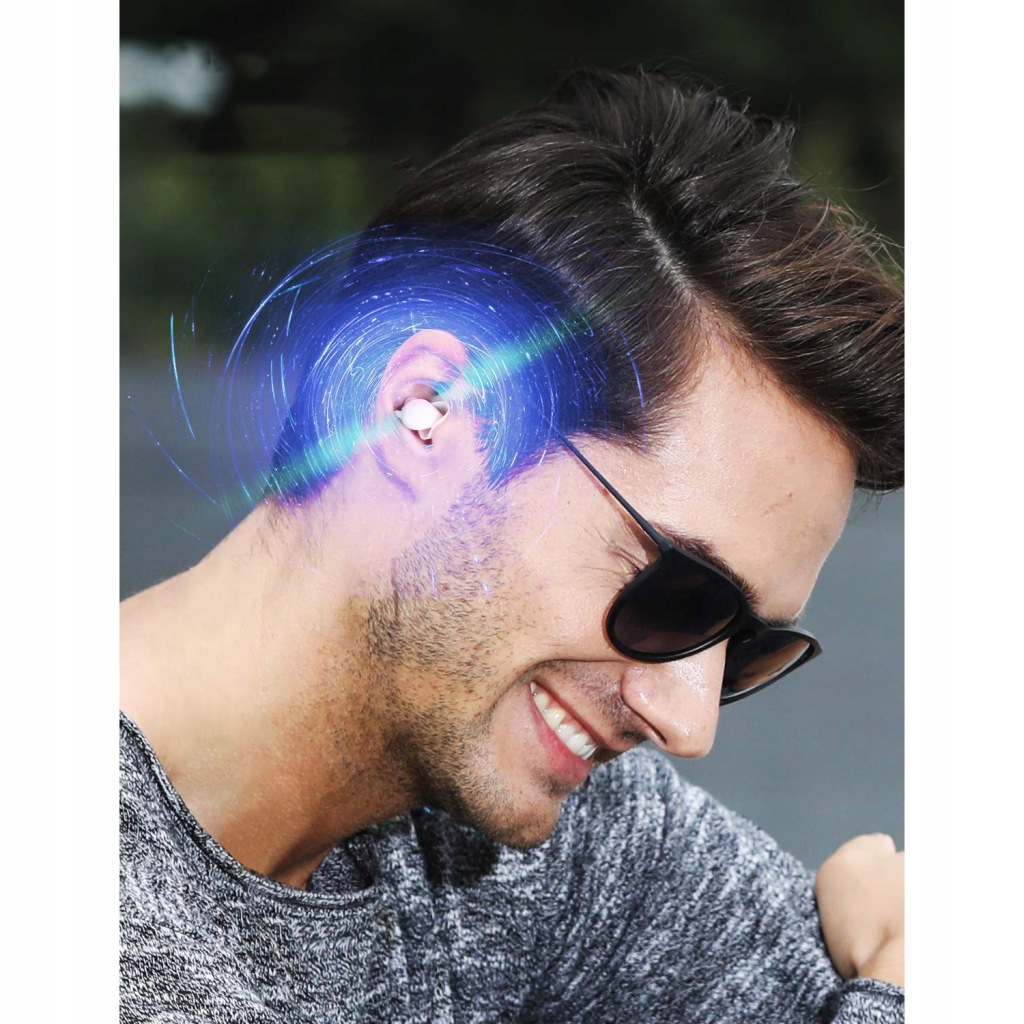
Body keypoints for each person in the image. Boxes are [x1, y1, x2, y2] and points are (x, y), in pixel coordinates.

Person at [120, 67, 904, 1022]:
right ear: (425, 414)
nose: (689, 726)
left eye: (746, 647)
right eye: (679, 595)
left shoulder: (541, 844)